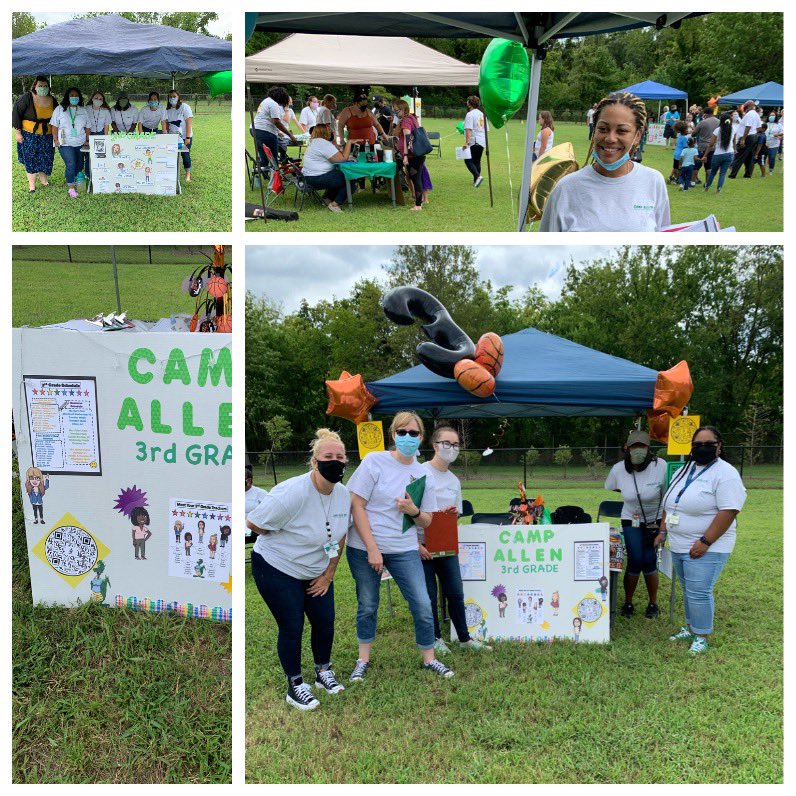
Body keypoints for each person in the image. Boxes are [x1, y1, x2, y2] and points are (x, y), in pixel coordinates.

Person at [346, 411, 454, 682]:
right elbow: (356, 504)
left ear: (421, 437)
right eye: (402, 432)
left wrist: (413, 510)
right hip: (364, 548)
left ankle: (429, 659)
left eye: (413, 433)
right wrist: (372, 549)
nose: (407, 437)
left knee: (422, 602)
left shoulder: (423, 473)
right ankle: (362, 660)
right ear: (393, 435)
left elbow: (427, 520)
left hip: (404, 549)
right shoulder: (374, 461)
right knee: (368, 604)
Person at [247, 428, 351, 711]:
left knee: (325, 620)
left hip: (316, 570)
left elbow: (340, 534)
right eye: (328, 456)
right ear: (314, 462)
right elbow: (254, 523)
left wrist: (328, 574)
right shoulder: (291, 493)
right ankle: (295, 685)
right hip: (277, 567)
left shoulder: (343, 495)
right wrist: (285, 537)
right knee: (292, 625)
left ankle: (323, 671)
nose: (335, 461)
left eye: (340, 457)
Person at [655, 426, 746, 656]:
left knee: (699, 591)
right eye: (697, 445)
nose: (702, 448)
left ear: (719, 446)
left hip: (708, 545)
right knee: (689, 589)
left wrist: (706, 541)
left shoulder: (726, 473)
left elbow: (729, 511)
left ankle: (701, 636)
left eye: (708, 444)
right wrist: (663, 531)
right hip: (679, 543)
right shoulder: (684, 469)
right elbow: (671, 503)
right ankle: (691, 628)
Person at [539, 92, 670, 232]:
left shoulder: (653, 182)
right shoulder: (566, 188)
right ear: (594, 130)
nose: (610, 138)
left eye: (622, 131)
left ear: (637, 136)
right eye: (603, 129)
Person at [419, 424, 492, 654]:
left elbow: (455, 514)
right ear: (435, 445)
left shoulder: (454, 481)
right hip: (422, 547)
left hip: (446, 546)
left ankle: (464, 638)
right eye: (446, 443)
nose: (452, 448)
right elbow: (407, 512)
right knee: (429, 596)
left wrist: (450, 513)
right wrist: (416, 545)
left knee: (456, 593)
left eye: (456, 444)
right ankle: (434, 639)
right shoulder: (419, 473)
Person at [604, 430, 667, 619]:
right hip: (630, 518)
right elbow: (612, 486)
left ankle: (653, 603)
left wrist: (663, 529)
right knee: (635, 559)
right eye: (634, 446)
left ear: (648, 448)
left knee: (649, 560)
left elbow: (669, 498)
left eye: (642, 446)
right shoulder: (618, 469)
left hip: (655, 520)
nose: (638, 449)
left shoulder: (661, 466)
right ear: (627, 448)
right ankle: (628, 602)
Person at [301, 122, 362, 213]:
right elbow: (342, 158)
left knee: (339, 174)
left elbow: (337, 154)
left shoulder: (316, 142)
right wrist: (349, 142)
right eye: (329, 130)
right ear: (324, 132)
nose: (332, 132)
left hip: (308, 177)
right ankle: (335, 204)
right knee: (351, 176)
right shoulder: (323, 144)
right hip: (316, 178)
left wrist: (334, 142)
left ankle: (327, 198)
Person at [13, 75, 56, 193]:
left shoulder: (52, 99)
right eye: (40, 85)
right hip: (29, 135)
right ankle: (32, 185)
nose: (43, 88)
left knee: (45, 157)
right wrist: (18, 133)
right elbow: (16, 113)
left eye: (45, 86)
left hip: (47, 135)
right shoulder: (27, 98)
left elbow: (58, 116)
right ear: (35, 86)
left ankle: (44, 180)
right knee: (31, 158)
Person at [50, 87, 91, 199]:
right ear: (67, 97)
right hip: (65, 142)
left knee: (79, 164)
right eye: (72, 95)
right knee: (71, 163)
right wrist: (55, 139)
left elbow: (88, 126)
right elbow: (54, 126)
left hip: (80, 142)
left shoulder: (82, 110)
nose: (74, 97)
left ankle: (76, 179)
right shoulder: (59, 109)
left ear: (79, 97)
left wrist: (87, 140)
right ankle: (71, 187)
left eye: (76, 95)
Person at [253, 86, 297, 171]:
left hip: (256, 129)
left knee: (264, 157)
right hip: (265, 131)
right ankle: (275, 175)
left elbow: (267, 118)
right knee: (273, 158)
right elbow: (276, 122)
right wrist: (290, 135)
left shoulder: (266, 101)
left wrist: (278, 132)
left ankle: (261, 174)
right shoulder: (273, 103)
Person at [393, 99, 425, 212]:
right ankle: (419, 200)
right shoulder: (411, 118)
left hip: (413, 155)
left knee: (416, 179)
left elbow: (408, 139)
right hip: (416, 154)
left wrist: (405, 155)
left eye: (397, 111)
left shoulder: (406, 121)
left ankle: (418, 205)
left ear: (403, 109)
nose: (396, 113)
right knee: (415, 178)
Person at [702, 112, 737, 194]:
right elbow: (734, 141)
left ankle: (707, 188)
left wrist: (705, 155)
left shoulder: (717, 130)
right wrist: (735, 150)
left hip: (718, 154)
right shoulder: (733, 129)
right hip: (729, 153)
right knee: (723, 173)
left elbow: (711, 144)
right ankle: (718, 190)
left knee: (713, 172)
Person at [729, 100, 762, 179]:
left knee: (739, 156)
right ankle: (748, 174)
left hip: (747, 137)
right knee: (749, 157)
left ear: (749, 106)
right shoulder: (756, 114)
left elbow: (748, 126)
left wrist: (743, 139)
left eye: (745, 107)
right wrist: (754, 134)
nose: (745, 109)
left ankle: (733, 174)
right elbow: (759, 128)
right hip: (753, 136)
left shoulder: (750, 114)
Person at [165, 90, 193, 182]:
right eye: (170, 97)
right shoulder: (167, 110)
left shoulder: (184, 107)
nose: (172, 98)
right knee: (172, 155)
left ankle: (188, 174)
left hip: (184, 137)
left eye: (174, 96)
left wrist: (187, 138)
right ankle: (172, 173)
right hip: (172, 137)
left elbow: (189, 123)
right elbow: (166, 123)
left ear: (178, 97)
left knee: (185, 155)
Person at [83, 90, 112, 177]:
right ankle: (88, 174)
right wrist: (86, 138)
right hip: (89, 134)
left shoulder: (105, 111)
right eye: (96, 98)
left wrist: (105, 138)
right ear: (92, 99)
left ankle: (100, 174)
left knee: (100, 155)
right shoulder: (86, 109)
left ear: (103, 101)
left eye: (100, 99)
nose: (98, 100)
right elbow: (84, 124)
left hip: (100, 133)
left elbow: (106, 125)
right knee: (89, 155)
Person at [462, 95, 486, 188]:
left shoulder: (470, 114)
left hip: (474, 141)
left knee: (467, 160)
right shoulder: (481, 114)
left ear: (470, 103)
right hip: (481, 140)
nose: (466, 103)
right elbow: (485, 129)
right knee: (477, 161)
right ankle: (476, 182)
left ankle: (478, 176)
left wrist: (466, 142)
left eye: (467, 101)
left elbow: (469, 129)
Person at [692, 111, 719, 182]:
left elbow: (694, 133)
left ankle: (692, 182)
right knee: (709, 166)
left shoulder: (703, 122)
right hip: (713, 146)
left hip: (702, 146)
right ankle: (707, 183)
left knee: (696, 166)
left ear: (706, 114)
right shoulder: (718, 121)